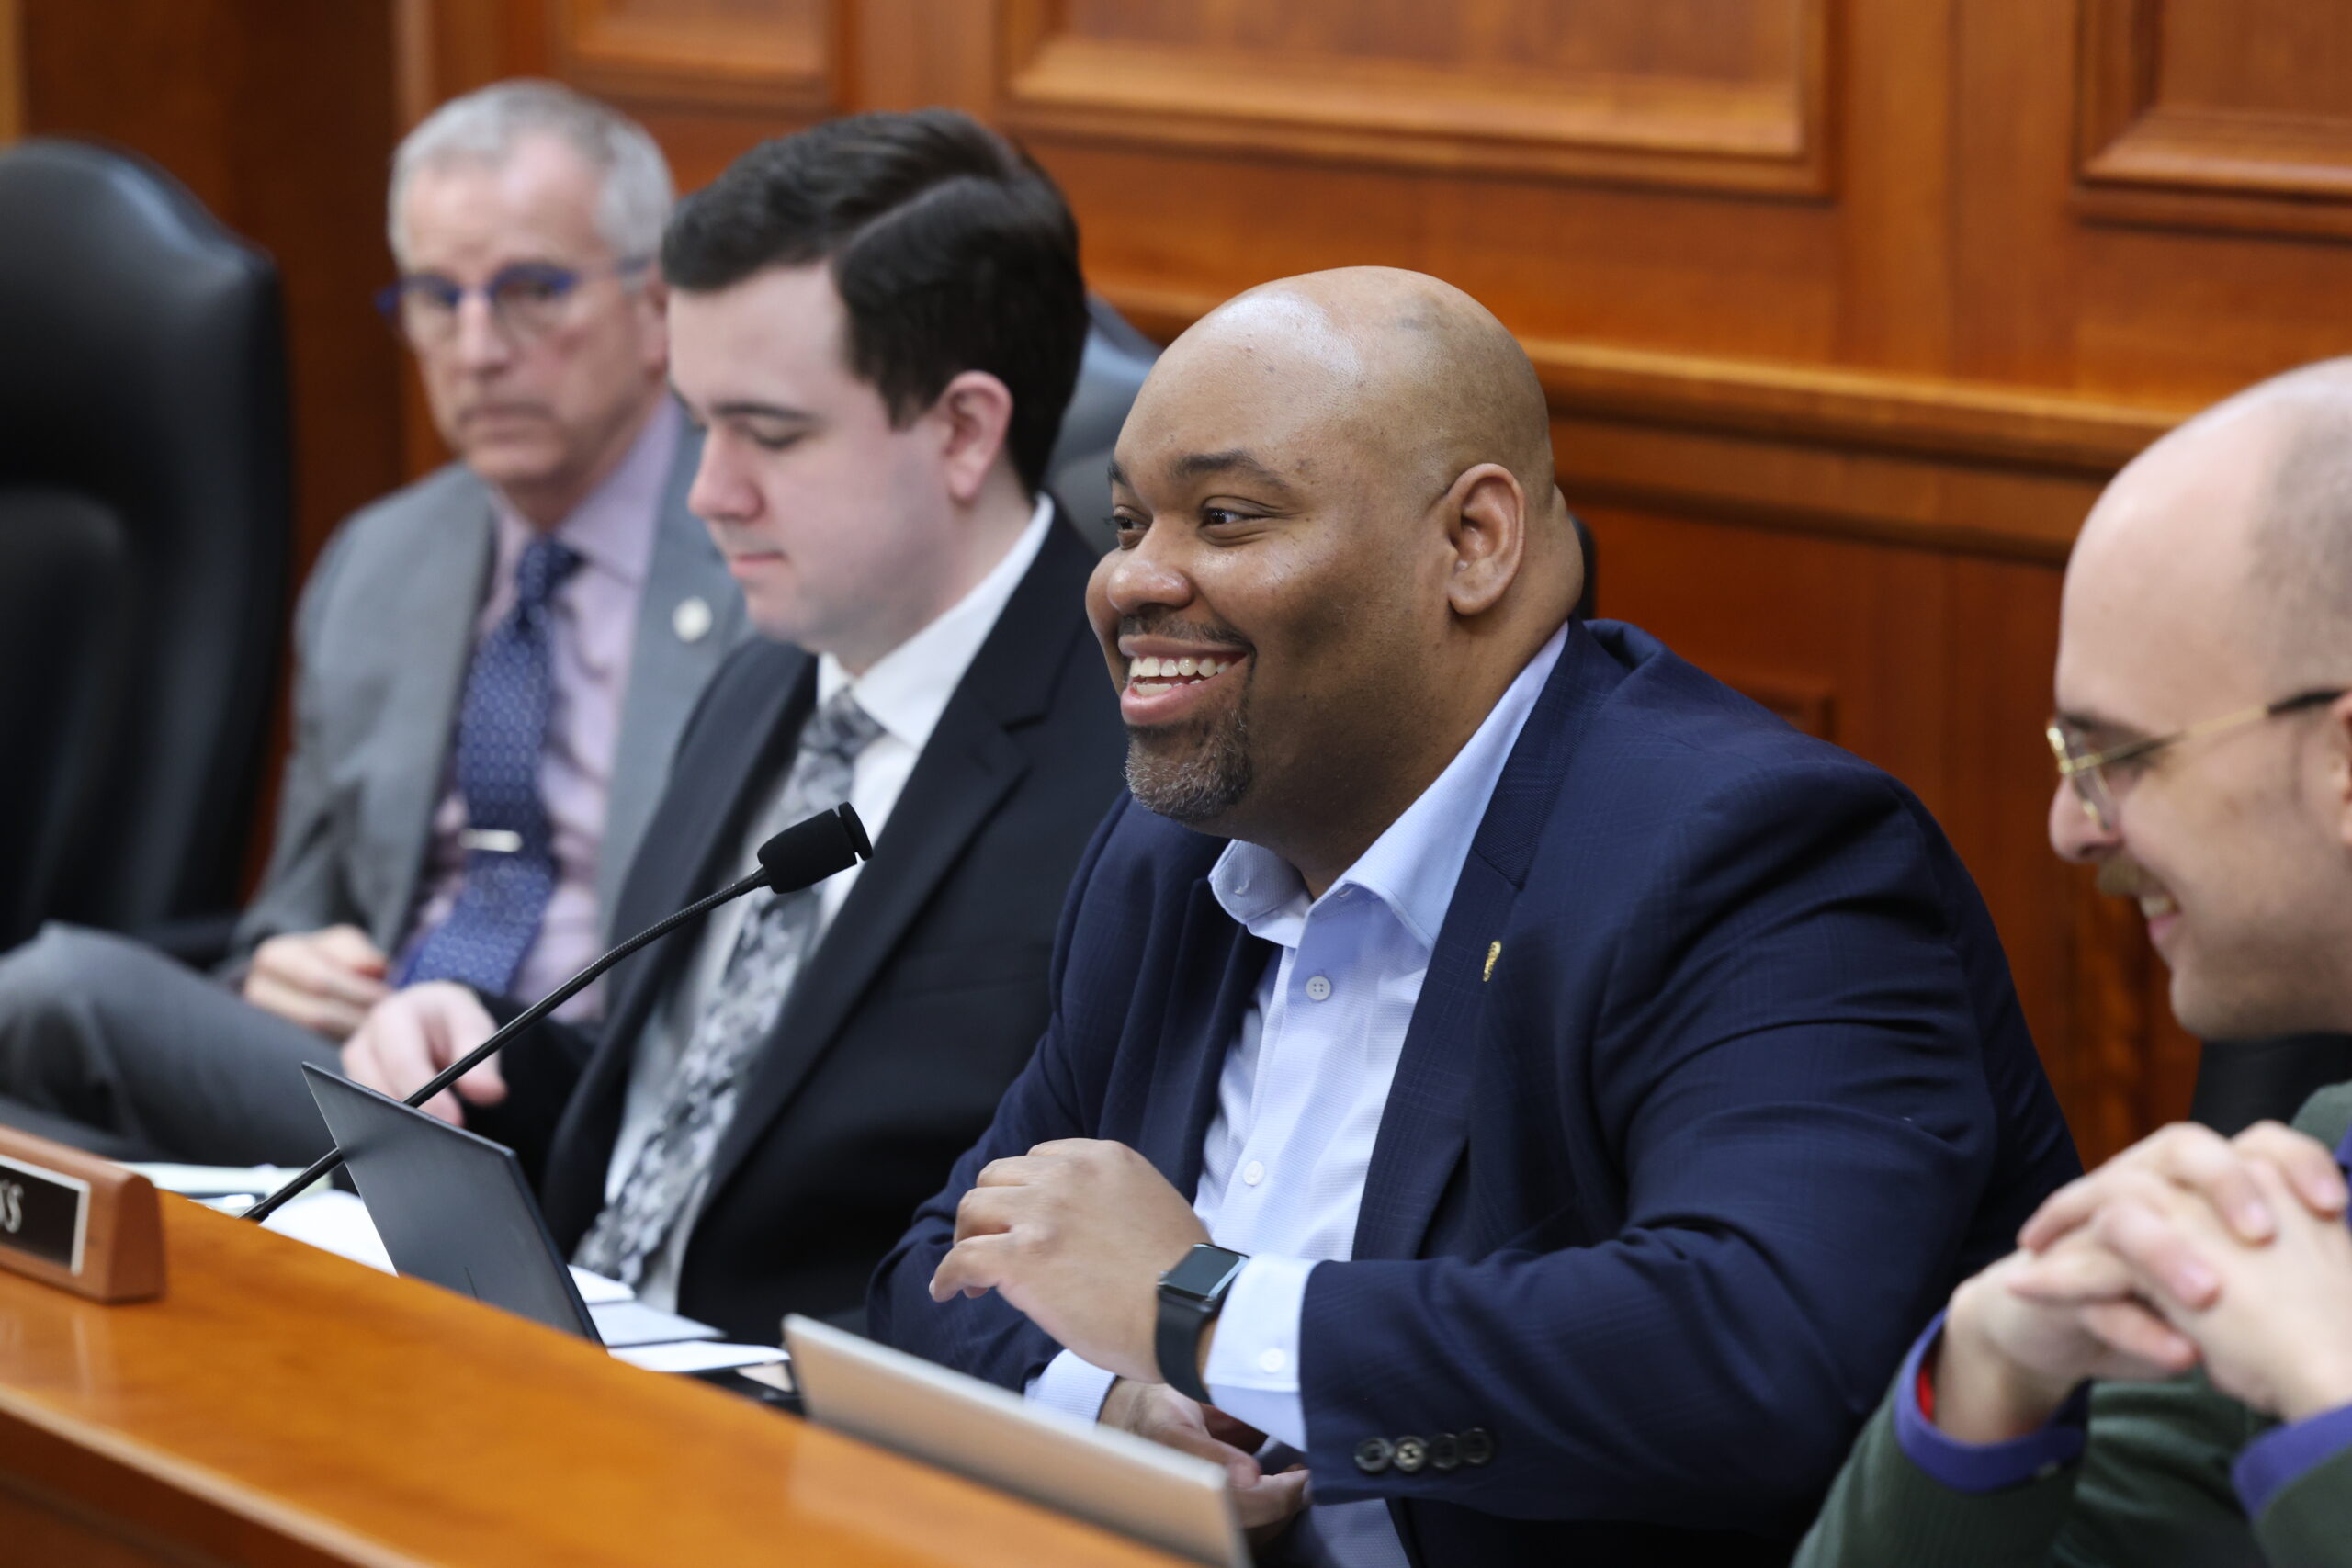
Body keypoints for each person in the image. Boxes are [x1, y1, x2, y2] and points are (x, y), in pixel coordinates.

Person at [867, 266, 2082, 1565]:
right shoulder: (1175, 848)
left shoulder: (1752, 852)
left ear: (1473, 542)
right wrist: (1118, 1402)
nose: (1131, 584)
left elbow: (1751, 1349)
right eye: (1124, 524)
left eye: (1224, 517)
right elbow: (945, 1265)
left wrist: (1204, 1313)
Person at [336, 109, 1129, 1343]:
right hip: (562, 1357)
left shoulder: (1132, 772)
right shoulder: (763, 681)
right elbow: (683, 1117)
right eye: (703, 427)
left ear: (964, 430)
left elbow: (1062, 1264)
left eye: (770, 433)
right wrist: (481, 1055)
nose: (709, 493)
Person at [0, 80, 742, 1164]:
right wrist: (288, 964)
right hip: (377, 1077)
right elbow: (284, 921)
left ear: (655, 306)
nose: (478, 348)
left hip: (603, 1102)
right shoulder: (379, 563)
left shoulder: (749, 553)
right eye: (439, 298)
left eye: (531, 290)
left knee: (65, 997)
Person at [1797, 361, 2352, 1565]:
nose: (2070, 825)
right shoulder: (2317, 1173)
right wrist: (1987, 1381)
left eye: (2123, 755)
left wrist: (2332, 1405)